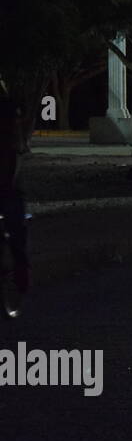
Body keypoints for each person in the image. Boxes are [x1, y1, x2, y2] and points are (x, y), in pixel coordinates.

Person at [0, 98, 31, 298]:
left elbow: (18, 150)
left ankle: (21, 269)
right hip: (8, 184)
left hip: (6, 185)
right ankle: (21, 267)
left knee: (15, 222)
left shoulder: (8, 110)